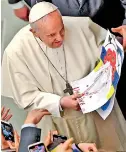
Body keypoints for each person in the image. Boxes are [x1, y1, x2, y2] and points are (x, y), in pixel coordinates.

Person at [1, 2, 126, 151]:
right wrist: (59, 102)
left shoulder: (80, 25)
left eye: (62, 30)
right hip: (57, 121)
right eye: (51, 35)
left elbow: (106, 48)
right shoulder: (16, 52)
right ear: (34, 33)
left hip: (97, 114)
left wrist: (118, 45)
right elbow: (25, 98)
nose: (60, 38)